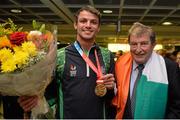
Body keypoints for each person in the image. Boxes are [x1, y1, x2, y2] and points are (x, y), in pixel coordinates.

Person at [18, 5, 116, 119]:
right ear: (75, 24)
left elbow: (113, 96)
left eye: (93, 22)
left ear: (98, 27)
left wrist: (112, 88)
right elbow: (49, 92)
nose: (88, 25)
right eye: (83, 21)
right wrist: (35, 99)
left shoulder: (107, 55)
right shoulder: (58, 56)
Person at [112, 22, 180, 119]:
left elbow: (176, 107)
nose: (138, 49)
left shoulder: (169, 67)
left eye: (144, 44)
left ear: (153, 45)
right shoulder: (120, 65)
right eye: (134, 44)